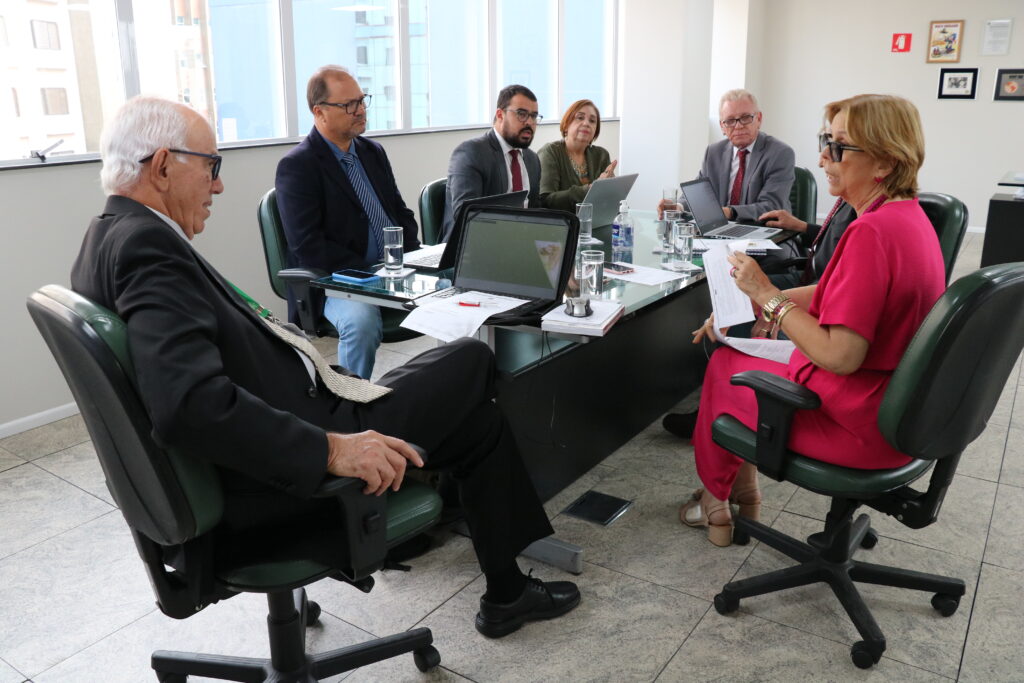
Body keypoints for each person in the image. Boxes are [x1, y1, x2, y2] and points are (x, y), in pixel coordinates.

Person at [70, 96, 580, 638]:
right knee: (473, 360)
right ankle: (495, 578)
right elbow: (189, 405)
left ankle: (500, 583)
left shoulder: (106, 236)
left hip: (289, 426)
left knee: (478, 424)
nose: (218, 185)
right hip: (293, 469)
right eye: (211, 166)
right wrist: (334, 450)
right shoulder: (148, 248)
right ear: (164, 165)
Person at [677, 94, 944, 547]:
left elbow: (840, 355)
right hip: (900, 411)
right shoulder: (906, 217)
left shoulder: (871, 233)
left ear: (883, 161)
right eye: (827, 141)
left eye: (839, 147)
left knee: (726, 367)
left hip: (859, 426)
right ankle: (741, 491)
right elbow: (838, 291)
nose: (822, 157)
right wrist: (758, 302)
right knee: (737, 352)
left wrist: (767, 297)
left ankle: (715, 502)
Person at [275, 65, 419, 380]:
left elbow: (399, 212)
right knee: (361, 322)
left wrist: (415, 256)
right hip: (337, 281)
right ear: (319, 112)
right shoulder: (297, 166)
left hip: (393, 270)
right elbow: (308, 246)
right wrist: (369, 275)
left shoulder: (373, 152)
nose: (360, 110)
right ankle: (351, 405)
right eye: (348, 105)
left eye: (362, 100)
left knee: (455, 294)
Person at [441, 85, 542, 240]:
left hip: (520, 243)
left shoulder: (532, 160)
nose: (529, 122)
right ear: (500, 114)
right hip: (473, 248)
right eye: (521, 114)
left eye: (534, 116)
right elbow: (466, 216)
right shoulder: (470, 152)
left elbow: (536, 212)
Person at [698, 89, 795, 222]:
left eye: (745, 118)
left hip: (764, 231)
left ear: (759, 119)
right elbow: (698, 194)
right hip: (720, 231)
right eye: (730, 121)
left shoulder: (780, 153)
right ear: (722, 126)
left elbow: (772, 207)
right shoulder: (713, 153)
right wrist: (678, 206)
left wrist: (730, 212)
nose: (738, 126)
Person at [537, 99, 618, 211]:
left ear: (596, 130)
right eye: (580, 117)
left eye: (592, 121)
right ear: (566, 125)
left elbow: (606, 200)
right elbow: (546, 200)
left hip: (594, 222)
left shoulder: (601, 155)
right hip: (562, 225)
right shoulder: (550, 152)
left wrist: (611, 188)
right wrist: (592, 188)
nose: (586, 123)